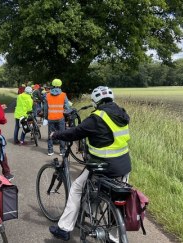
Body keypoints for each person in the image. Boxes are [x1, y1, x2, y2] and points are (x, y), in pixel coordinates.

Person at [48, 86, 132, 241]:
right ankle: (114, 237)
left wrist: (56, 134)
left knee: (76, 188)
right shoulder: (122, 113)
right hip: (124, 166)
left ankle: (64, 228)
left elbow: (75, 132)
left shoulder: (97, 118)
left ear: (95, 101)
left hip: (103, 166)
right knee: (116, 198)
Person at [44, 78, 70, 156]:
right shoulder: (63, 94)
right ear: (60, 85)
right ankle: (62, 151)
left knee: (51, 134)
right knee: (62, 134)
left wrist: (45, 117)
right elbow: (67, 107)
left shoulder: (47, 95)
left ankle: (50, 151)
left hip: (51, 118)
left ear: (53, 85)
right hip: (60, 117)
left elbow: (45, 108)